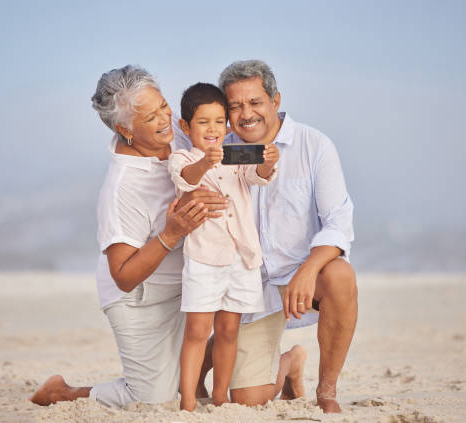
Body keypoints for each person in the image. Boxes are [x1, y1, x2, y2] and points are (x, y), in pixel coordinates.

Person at [30, 65, 215, 407]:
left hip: (188, 281)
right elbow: (124, 276)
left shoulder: (179, 133)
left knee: (241, 305)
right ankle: (64, 392)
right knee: (152, 398)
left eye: (163, 106)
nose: (165, 119)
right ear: (125, 129)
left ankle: (189, 377)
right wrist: (171, 232)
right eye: (151, 117)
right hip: (140, 299)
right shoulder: (121, 189)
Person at [197, 60, 357, 414]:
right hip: (247, 287)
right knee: (248, 400)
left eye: (255, 102)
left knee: (340, 275)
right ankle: (290, 364)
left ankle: (327, 391)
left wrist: (309, 269)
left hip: (301, 276)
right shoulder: (218, 150)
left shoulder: (314, 145)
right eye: (235, 106)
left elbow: (338, 222)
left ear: (275, 99)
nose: (246, 114)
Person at [168, 83, 279, 410]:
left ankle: (219, 398)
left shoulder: (235, 153)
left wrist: (269, 161)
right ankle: (187, 401)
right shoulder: (183, 157)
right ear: (185, 126)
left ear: (227, 126)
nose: (213, 129)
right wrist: (206, 162)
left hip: (242, 259)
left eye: (219, 122)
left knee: (229, 329)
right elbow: (186, 178)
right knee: (198, 330)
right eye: (203, 122)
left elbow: (257, 175)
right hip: (204, 259)